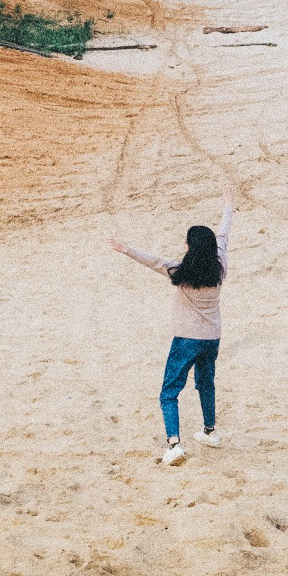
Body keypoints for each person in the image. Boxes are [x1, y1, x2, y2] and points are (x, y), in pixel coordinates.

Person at [108, 183, 236, 465]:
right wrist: (228, 205)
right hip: (212, 338)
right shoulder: (220, 264)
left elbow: (152, 261)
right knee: (206, 384)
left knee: (169, 392)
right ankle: (210, 432)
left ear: (190, 247)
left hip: (186, 339)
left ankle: (174, 444)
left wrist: (126, 249)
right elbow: (224, 233)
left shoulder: (180, 270)